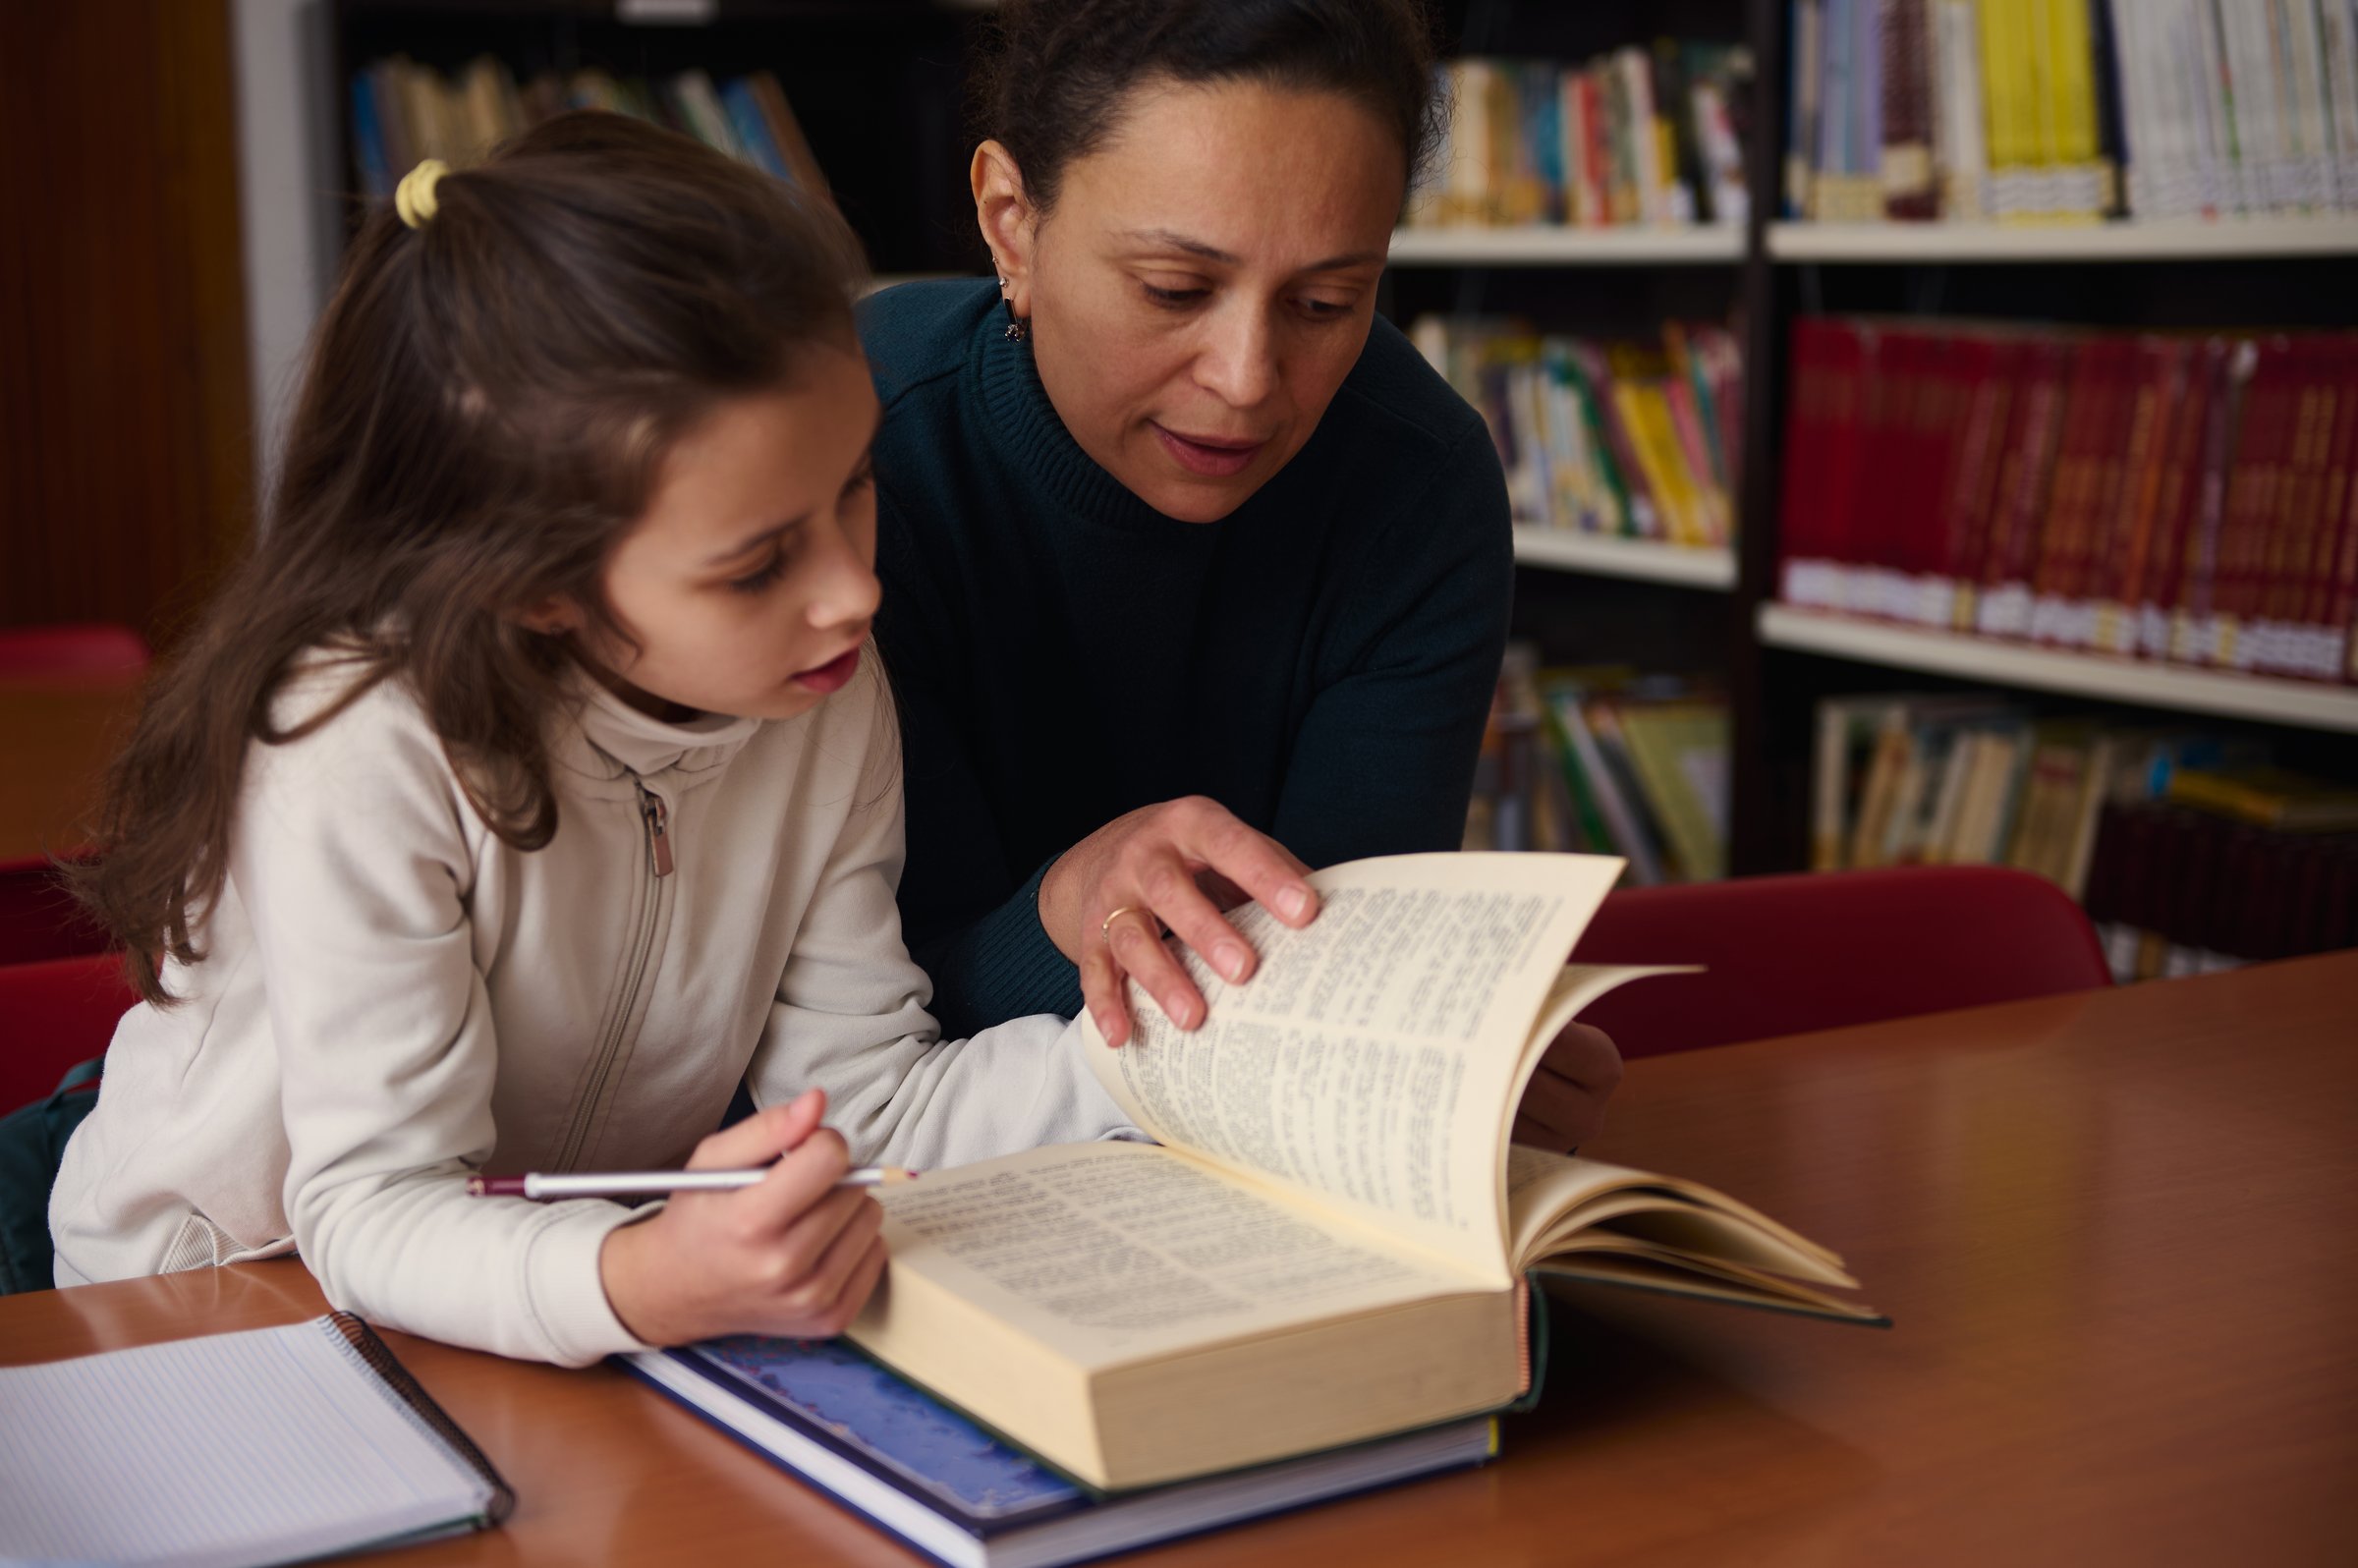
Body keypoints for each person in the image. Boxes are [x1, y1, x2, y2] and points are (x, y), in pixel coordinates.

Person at [46, 115, 1136, 1361]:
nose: (852, 591)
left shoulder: (821, 688)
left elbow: (868, 1104)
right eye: (755, 562)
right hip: (202, 1309)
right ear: (537, 584)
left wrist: (1167, 1063)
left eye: (853, 485)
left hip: (521, 1294)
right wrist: (638, 1279)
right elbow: (369, 1206)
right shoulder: (360, 740)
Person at [864, 0, 1619, 1147]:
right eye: (1174, 289)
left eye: (1329, 303)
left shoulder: (1418, 484)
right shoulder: (842, 463)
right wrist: (1069, 910)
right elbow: (846, 1028)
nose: (1249, 378)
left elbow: (1322, 981)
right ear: (1011, 223)